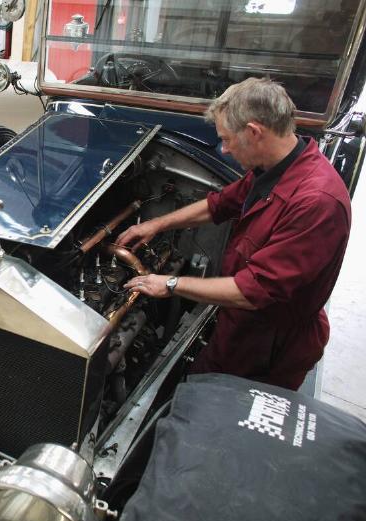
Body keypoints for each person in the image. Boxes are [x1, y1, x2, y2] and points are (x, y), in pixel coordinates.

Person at [116, 78, 352, 390]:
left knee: (218, 411)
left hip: (268, 348)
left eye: (227, 140)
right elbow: (219, 205)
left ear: (255, 132)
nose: (224, 150)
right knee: (198, 386)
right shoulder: (274, 167)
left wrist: (170, 284)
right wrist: (155, 224)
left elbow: (253, 291)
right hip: (238, 327)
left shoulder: (316, 202)